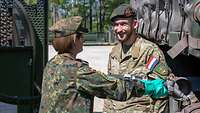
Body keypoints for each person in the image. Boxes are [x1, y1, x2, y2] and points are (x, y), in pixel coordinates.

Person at [39, 16, 171, 113]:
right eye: (81, 36)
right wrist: (147, 86)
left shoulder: (52, 64)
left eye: (123, 24)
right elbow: (114, 87)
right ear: (74, 39)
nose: (83, 39)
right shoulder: (77, 71)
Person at [103, 4, 172, 113]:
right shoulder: (114, 52)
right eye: (116, 25)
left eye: (123, 24)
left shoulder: (149, 51)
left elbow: (161, 92)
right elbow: (111, 88)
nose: (118, 29)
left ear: (135, 24)